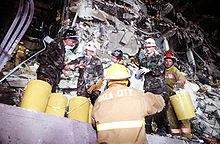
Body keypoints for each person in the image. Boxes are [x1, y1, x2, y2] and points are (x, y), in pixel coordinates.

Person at [92, 64, 165, 144]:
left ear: (108, 81)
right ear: (127, 81)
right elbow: (159, 103)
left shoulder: (99, 100)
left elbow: (94, 122)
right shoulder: (137, 95)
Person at [135, 37, 169, 135]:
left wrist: (150, 70)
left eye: (149, 47)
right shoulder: (144, 59)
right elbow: (141, 69)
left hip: (158, 87)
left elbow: (160, 70)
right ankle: (148, 128)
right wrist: (139, 74)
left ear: (154, 47)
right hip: (148, 87)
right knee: (147, 107)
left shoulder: (159, 57)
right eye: (146, 47)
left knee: (159, 108)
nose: (148, 49)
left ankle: (162, 129)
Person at [64, 41, 104, 105]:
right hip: (82, 85)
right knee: (81, 103)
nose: (90, 52)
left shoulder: (97, 61)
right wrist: (77, 66)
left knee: (96, 104)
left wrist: (99, 83)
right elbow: (68, 66)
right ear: (86, 50)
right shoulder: (80, 59)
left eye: (91, 51)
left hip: (93, 85)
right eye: (89, 50)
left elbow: (101, 74)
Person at [164, 52, 192, 139]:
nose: (167, 63)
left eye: (169, 61)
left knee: (182, 116)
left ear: (172, 62)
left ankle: (186, 136)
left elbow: (182, 79)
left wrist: (176, 88)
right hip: (168, 97)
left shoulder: (174, 70)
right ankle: (176, 135)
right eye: (166, 61)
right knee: (171, 117)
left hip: (177, 97)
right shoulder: (163, 70)